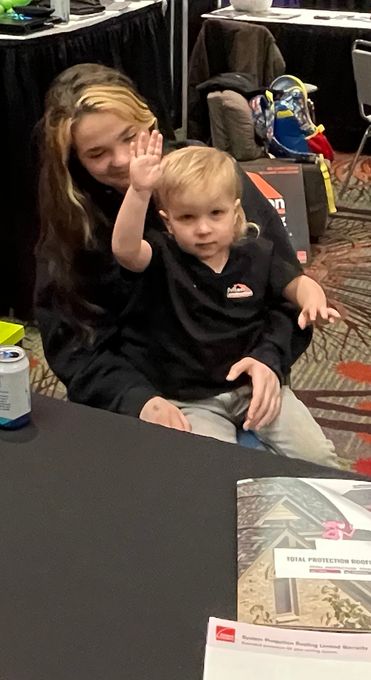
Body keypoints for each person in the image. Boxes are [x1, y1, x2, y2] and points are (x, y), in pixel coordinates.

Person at [34, 65, 332, 431]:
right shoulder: (74, 225)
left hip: (242, 375)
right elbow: (75, 345)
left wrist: (269, 358)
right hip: (154, 393)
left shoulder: (210, 178)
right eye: (97, 154)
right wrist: (137, 399)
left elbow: (282, 286)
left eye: (130, 137)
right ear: (75, 161)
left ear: (150, 122)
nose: (124, 160)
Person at [110, 139, 340, 463]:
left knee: (318, 457)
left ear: (234, 211)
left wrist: (313, 300)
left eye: (215, 213)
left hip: (255, 387)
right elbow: (125, 249)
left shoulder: (257, 253)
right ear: (167, 222)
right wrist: (138, 191)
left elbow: (299, 284)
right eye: (187, 217)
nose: (203, 229)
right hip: (192, 398)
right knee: (214, 469)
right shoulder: (162, 255)